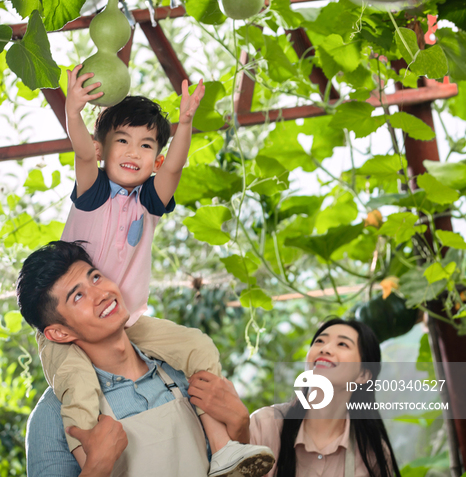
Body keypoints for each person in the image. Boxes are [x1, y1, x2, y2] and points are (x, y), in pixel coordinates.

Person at [35, 67, 274, 477]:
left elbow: (175, 169)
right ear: (102, 149)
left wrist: (184, 124)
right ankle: (93, 461)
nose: (133, 151)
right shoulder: (92, 193)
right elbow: (81, 152)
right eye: (122, 141)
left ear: (156, 158)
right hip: (67, 331)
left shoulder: (148, 201)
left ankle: (222, 447)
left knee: (197, 344)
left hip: (127, 321)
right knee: (79, 391)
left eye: (146, 145)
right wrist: (73, 112)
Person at [18, 241, 276, 477]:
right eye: (78, 296)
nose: (101, 294)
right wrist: (97, 467)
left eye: (96, 278)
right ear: (59, 333)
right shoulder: (52, 416)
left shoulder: (183, 374)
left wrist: (240, 427)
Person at [188, 318, 401, 477]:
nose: (325, 349)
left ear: (363, 375)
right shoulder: (266, 424)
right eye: (319, 341)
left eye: (342, 344)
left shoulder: (372, 452)